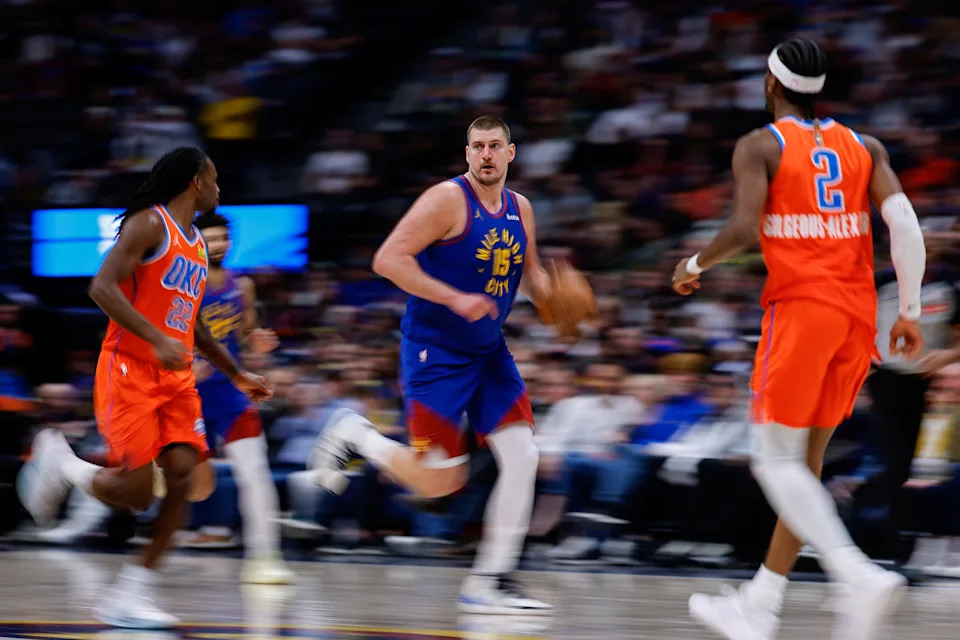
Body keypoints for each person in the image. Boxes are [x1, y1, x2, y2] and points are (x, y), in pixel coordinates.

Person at [672, 38, 926, 640]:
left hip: (802, 311)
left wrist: (693, 265)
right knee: (802, 468)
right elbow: (905, 224)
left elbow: (743, 229)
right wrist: (910, 310)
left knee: (774, 461)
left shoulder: (759, 145)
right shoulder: (865, 146)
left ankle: (856, 574)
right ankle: (761, 604)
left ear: (771, 83)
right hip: (858, 318)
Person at [309, 115, 574, 615]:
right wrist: (453, 297)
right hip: (436, 352)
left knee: (523, 455)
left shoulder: (520, 207)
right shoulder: (447, 199)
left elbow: (530, 274)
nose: (486, 155)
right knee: (438, 482)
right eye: (478, 146)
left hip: (488, 351)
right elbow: (388, 260)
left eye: (495, 146)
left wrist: (557, 299)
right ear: (467, 153)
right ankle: (356, 434)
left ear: (511, 153)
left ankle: (490, 581)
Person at [16, 147, 272, 629]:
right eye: (215, 180)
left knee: (183, 479)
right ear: (196, 181)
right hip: (129, 368)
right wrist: (155, 337)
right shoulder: (150, 224)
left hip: (176, 377)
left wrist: (236, 373)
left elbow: (194, 323)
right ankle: (61, 463)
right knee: (136, 495)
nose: (220, 190)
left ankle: (130, 593)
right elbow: (102, 287)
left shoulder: (197, 246)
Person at [190, 211, 294, 584]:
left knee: (255, 473)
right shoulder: (181, 285)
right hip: (187, 397)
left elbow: (246, 332)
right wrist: (183, 364)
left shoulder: (242, 285)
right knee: (191, 488)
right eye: (210, 239)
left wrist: (256, 340)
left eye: (223, 238)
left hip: (230, 395)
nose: (218, 245)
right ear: (195, 243)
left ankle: (265, 558)